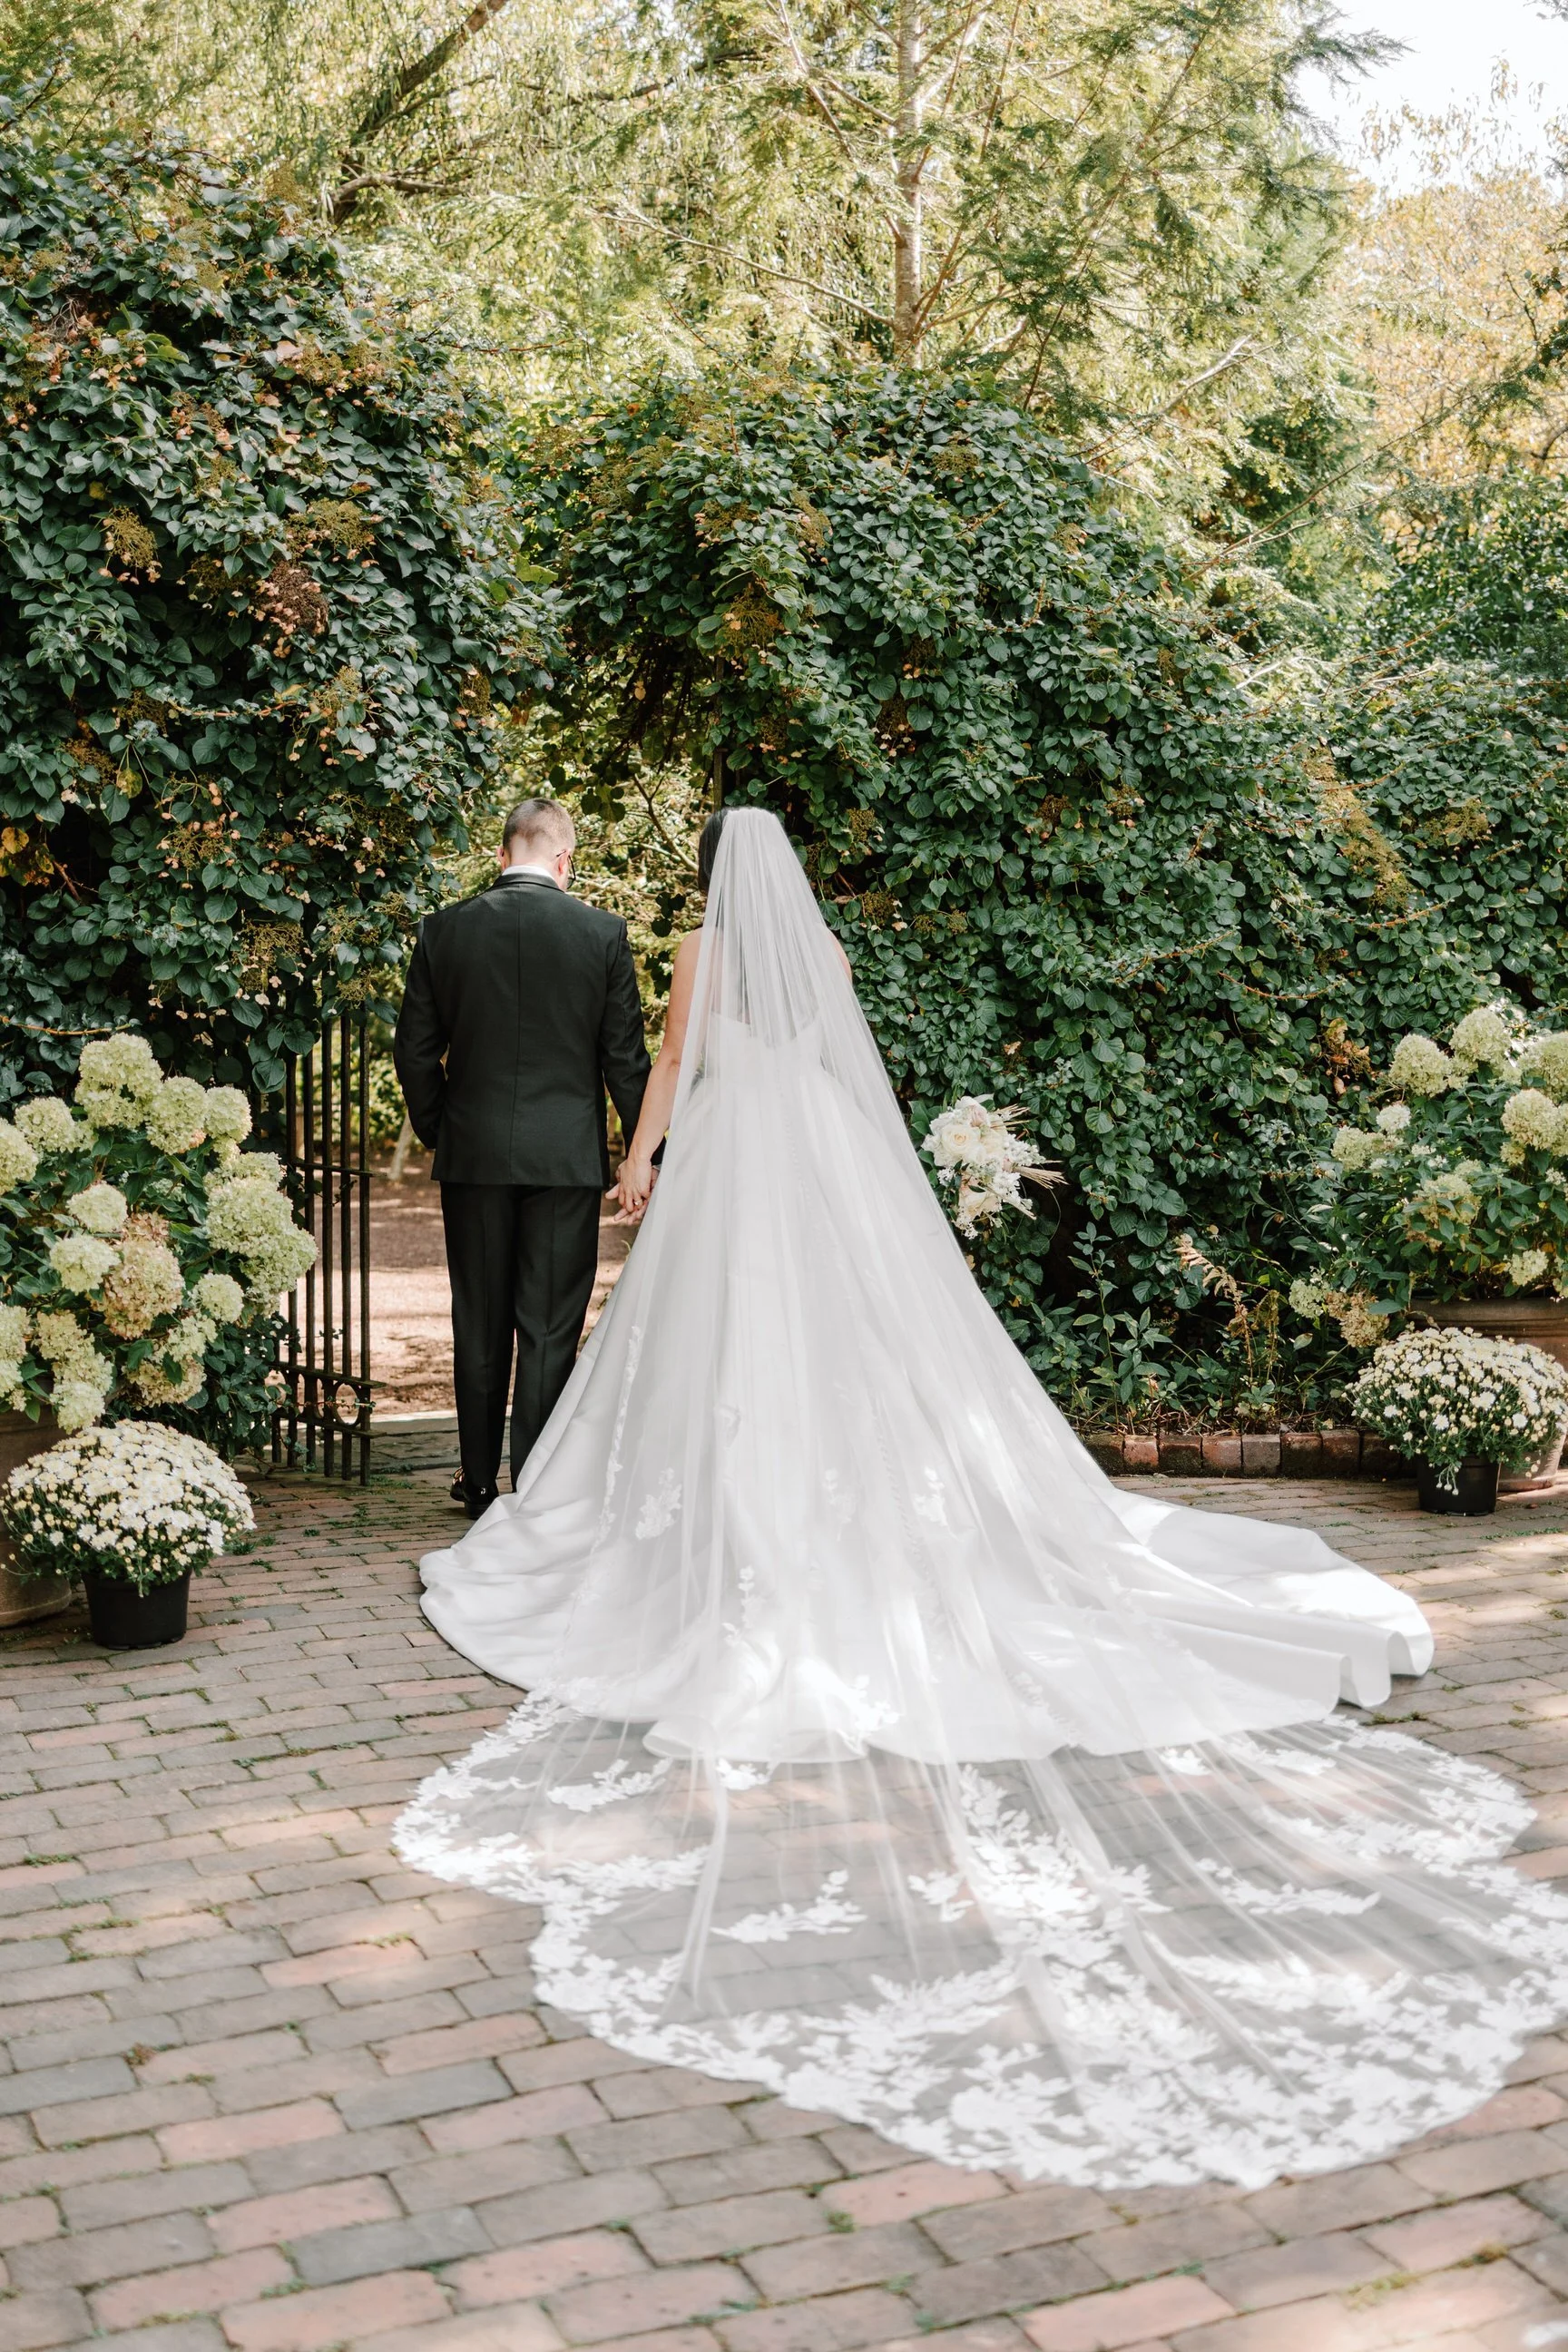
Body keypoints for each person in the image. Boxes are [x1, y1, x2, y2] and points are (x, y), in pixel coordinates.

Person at [397, 805, 1568, 2190]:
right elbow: (849, 1071)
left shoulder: (698, 944)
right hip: (821, 1158)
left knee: (702, 1343)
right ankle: (827, 1510)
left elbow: (667, 1058)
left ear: (714, 878)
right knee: (832, 1352)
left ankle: (571, 1491)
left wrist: (649, 1153)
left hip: (723, 1162)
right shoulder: (818, 948)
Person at [393, 797, 650, 1518]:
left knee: (479, 1318)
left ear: (504, 854)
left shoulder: (445, 931)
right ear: (564, 859)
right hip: (566, 1161)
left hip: (474, 1156)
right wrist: (643, 1152)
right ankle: (533, 1484)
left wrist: (446, 1129)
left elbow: (413, 1050)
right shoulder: (602, 932)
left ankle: (476, 1481)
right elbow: (624, 1059)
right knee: (547, 1326)